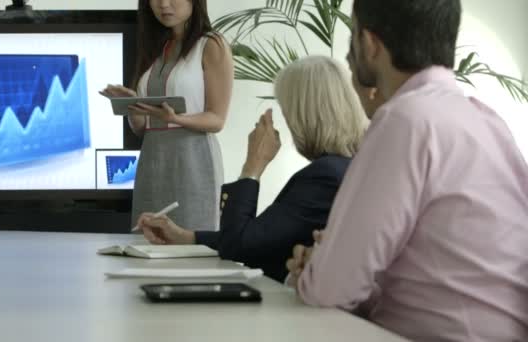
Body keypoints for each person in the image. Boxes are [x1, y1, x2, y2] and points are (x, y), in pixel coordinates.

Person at [286, 1, 528, 341]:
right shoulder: (487, 121)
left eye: (352, 38)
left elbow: (329, 291)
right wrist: (330, 265)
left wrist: (314, 270)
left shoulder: (406, 119)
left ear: (369, 45)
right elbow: (434, 269)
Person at [137, 56, 369, 282]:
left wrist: (253, 166)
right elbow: (260, 237)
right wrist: (186, 237)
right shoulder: (349, 167)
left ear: (304, 114)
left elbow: (240, 246)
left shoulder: (324, 176)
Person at [100, 0, 233, 232]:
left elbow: (217, 119)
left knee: (192, 246)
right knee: (145, 243)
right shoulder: (155, 47)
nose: (164, 5)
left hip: (193, 161)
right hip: (152, 162)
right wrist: (133, 105)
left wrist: (176, 119)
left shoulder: (211, 44)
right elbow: (141, 128)